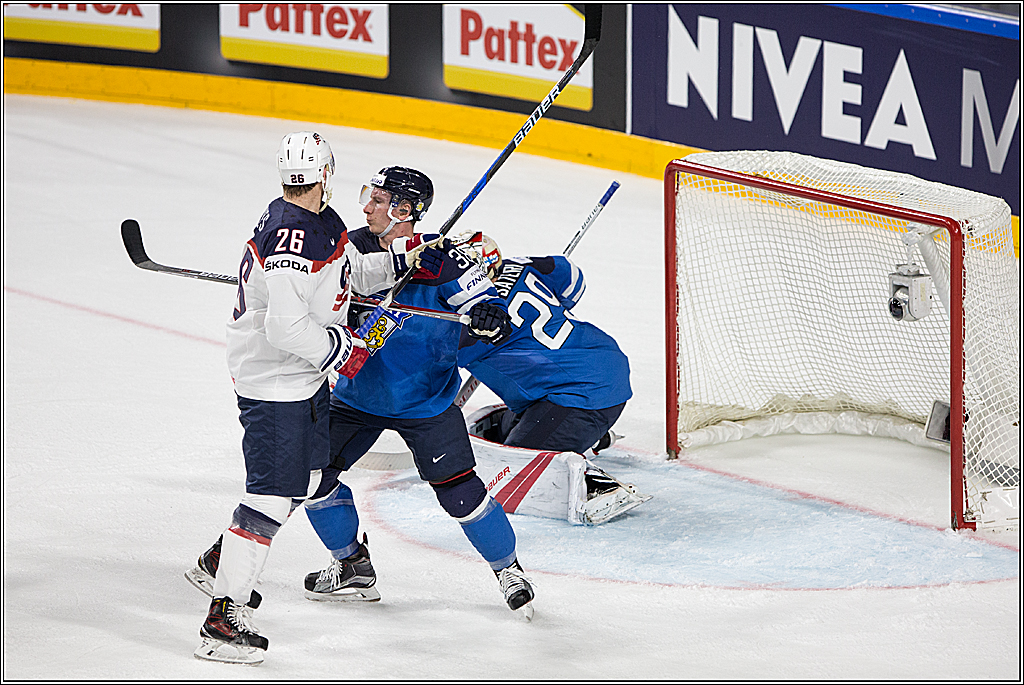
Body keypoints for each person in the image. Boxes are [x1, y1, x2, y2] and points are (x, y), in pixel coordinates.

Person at [188, 133, 441, 666]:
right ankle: (223, 614)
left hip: (300, 378)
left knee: (306, 479)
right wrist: (336, 345)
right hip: (274, 379)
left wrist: (402, 260)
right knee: (272, 493)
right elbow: (284, 328)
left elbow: (343, 274)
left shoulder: (320, 219)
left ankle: (224, 561)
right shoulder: (291, 237)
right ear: (327, 170)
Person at [302, 166, 537, 617]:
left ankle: (508, 569)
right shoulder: (348, 248)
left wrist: (490, 318)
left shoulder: (442, 260)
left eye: (378, 199)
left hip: (425, 402)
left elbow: (487, 307)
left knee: (460, 493)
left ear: (404, 210)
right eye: (367, 196)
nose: (366, 207)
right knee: (311, 477)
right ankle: (351, 564)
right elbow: (315, 293)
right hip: (355, 396)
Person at [453, 231, 632, 457]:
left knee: (517, 465)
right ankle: (583, 435)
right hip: (598, 363)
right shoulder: (518, 265)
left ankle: (589, 477)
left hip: (584, 393)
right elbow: (572, 281)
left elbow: (420, 368)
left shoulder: (468, 321)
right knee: (495, 432)